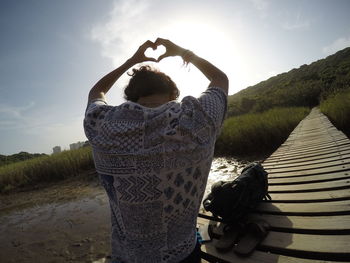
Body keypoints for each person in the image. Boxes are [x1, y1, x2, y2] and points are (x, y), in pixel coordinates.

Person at [84, 38, 228, 263]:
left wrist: (130, 62)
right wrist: (183, 52)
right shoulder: (198, 118)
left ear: (132, 97)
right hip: (183, 254)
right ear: (173, 93)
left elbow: (97, 91)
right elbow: (220, 79)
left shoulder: (103, 125)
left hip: (129, 258)